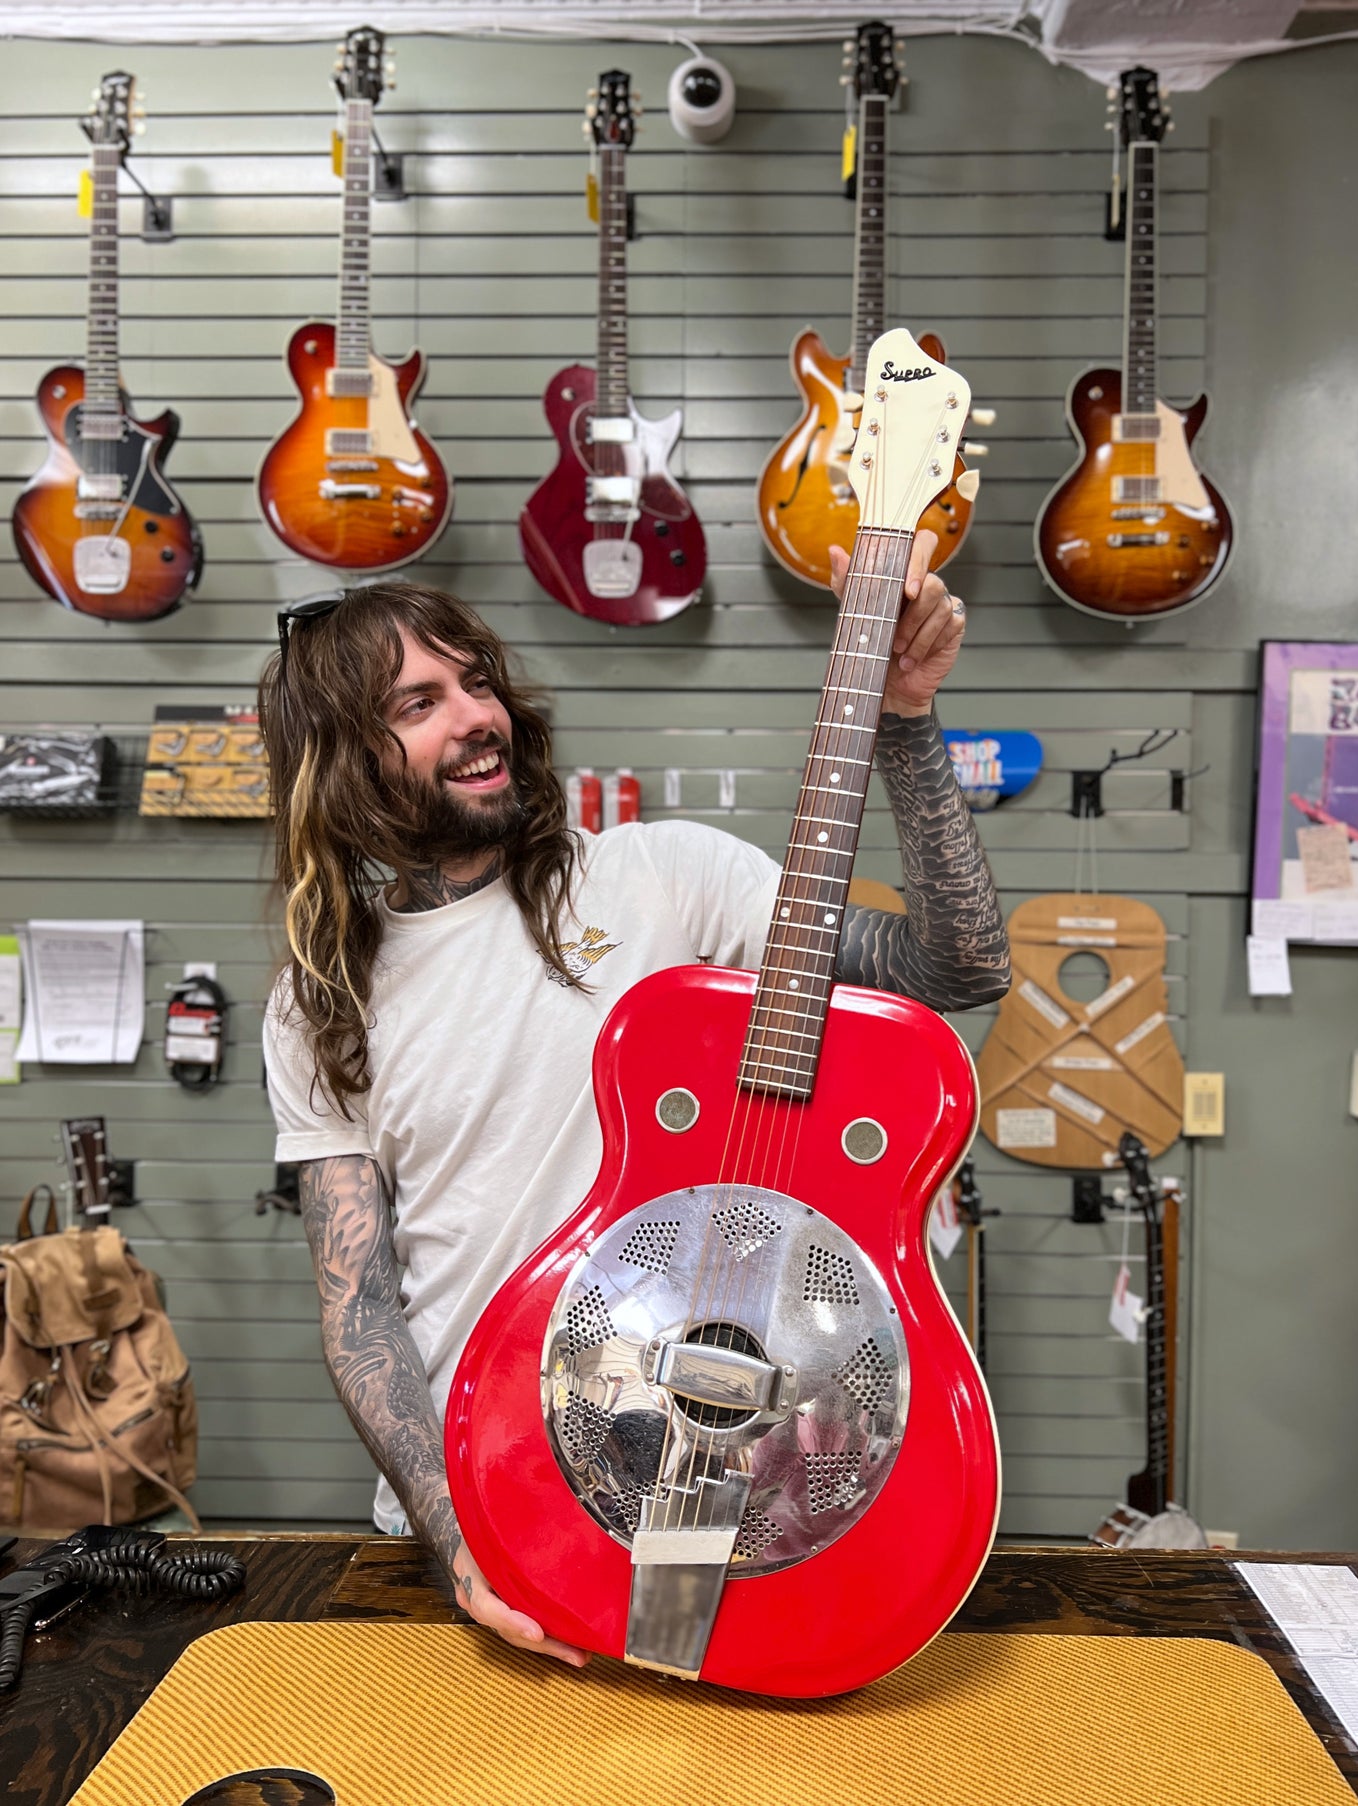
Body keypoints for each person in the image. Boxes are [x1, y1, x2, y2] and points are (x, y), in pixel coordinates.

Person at [258, 532, 1010, 1670]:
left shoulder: (663, 878)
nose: (476, 715)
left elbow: (955, 968)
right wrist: (454, 1536)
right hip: (491, 1499)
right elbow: (358, 1306)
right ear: (339, 758)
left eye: (475, 680)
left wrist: (902, 721)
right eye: (419, 702)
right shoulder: (319, 998)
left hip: (724, 1472)